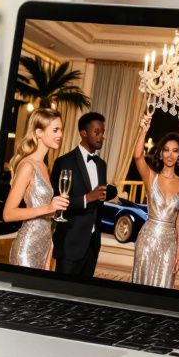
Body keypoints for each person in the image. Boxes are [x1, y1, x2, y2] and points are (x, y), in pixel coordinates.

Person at [1, 108, 70, 269]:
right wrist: (49, 207)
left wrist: (49, 244)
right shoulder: (27, 166)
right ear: (39, 132)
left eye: (61, 129)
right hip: (27, 248)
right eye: (55, 130)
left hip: (43, 244)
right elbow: (8, 214)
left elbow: (44, 213)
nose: (60, 134)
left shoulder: (44, 166)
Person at [51, 111, 112, 278]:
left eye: (103, 132)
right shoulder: (64, 162)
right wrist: (87, 198)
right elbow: (54, 204)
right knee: (61, 296)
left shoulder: (102, 165)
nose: (101, 137)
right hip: (70, 242)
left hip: (92, 244)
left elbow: (98, 201)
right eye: (96, 132)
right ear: (83, 133)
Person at [129, 116, 179, 288]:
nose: (170, 154)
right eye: (166, 150)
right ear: (161, 153)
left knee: (163, 287)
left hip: (169, 244)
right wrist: (143, 131)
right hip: (147, 239)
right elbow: (138, 156)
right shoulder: (151, 177)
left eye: (175, 151)